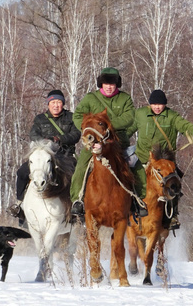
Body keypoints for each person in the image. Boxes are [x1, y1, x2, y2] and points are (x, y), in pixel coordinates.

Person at [69, 67, 147, 218]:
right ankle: (77, 200)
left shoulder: (125, 99)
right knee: (81, 167)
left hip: (119, 142)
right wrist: (89, 128)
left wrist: (105, 125)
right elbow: (78, 115)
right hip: (94, 143)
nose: (109, 86)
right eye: (106, 83)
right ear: (101, 84)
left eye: (112, 83)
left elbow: (129, 117)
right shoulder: (90, 98)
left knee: (136, 167)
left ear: (117, 84)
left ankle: (138, 200)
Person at [126, 89, 193, 230]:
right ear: (150, 104)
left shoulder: (172, 116)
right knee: (129, 181)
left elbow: (185, 125)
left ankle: (172, 216)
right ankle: (128, 211)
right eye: (154, 104)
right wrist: (117, 141)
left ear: (165, 105)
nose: (157, 107)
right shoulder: (140, 114)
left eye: (160, 104)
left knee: (173, 185)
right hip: (143, 158)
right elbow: (128, 130)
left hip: (165, 161)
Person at [8, 90, 80, 221]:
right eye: (53, 102)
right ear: (48, 104)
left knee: (76, 175)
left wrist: (60, 139)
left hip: (65, 156)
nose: (56, 105)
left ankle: (77, 206)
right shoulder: (40, 119)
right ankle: (19, 204)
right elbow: (33, 135)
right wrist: (45, 142)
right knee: (22, 172)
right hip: (44, 154)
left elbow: (76, 135)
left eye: (58, 102)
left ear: (63, 103)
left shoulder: (71, 117)